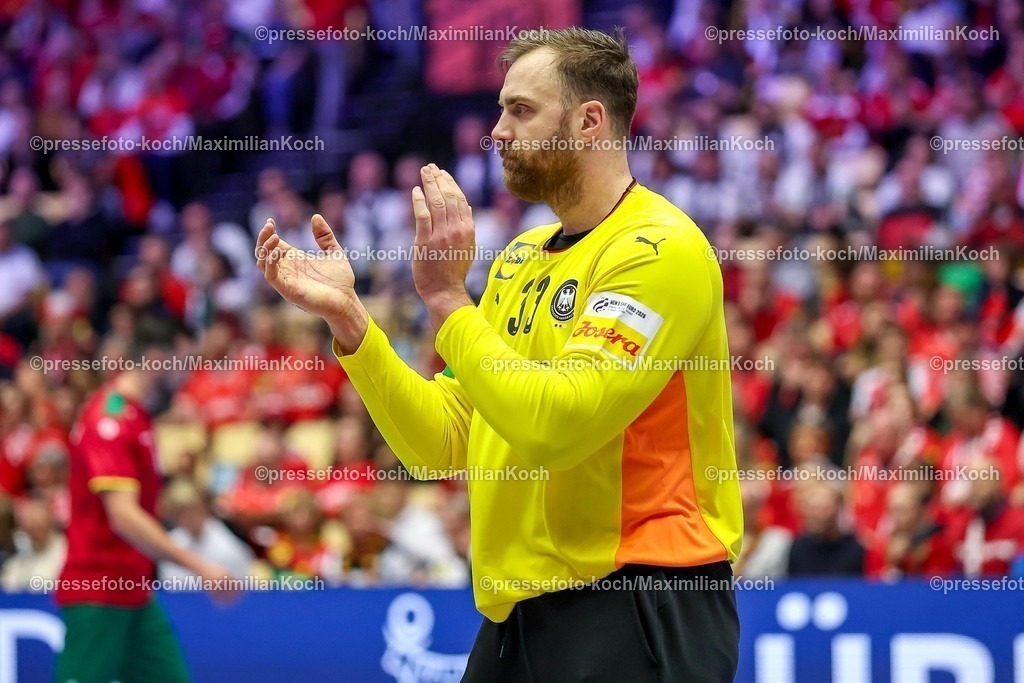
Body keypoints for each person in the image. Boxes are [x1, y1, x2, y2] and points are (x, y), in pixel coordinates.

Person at [257, 27, 742, 682]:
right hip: (521, 611)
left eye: (521, 110)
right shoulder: (518, 259)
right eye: (501, 109)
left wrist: (449, 301)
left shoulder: (658, 249)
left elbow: (555, 425)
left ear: (590, 121)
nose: (497, 132)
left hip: (638, 594)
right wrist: (352, 323)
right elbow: (442, 441)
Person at [55, 350, 233, 683]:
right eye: (181, 362)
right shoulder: (110, 419)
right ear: (156, 358)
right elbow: (123, 516)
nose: (185, 377)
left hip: (135, 591)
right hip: (99, 591)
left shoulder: (137, 416)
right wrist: (201, 567)